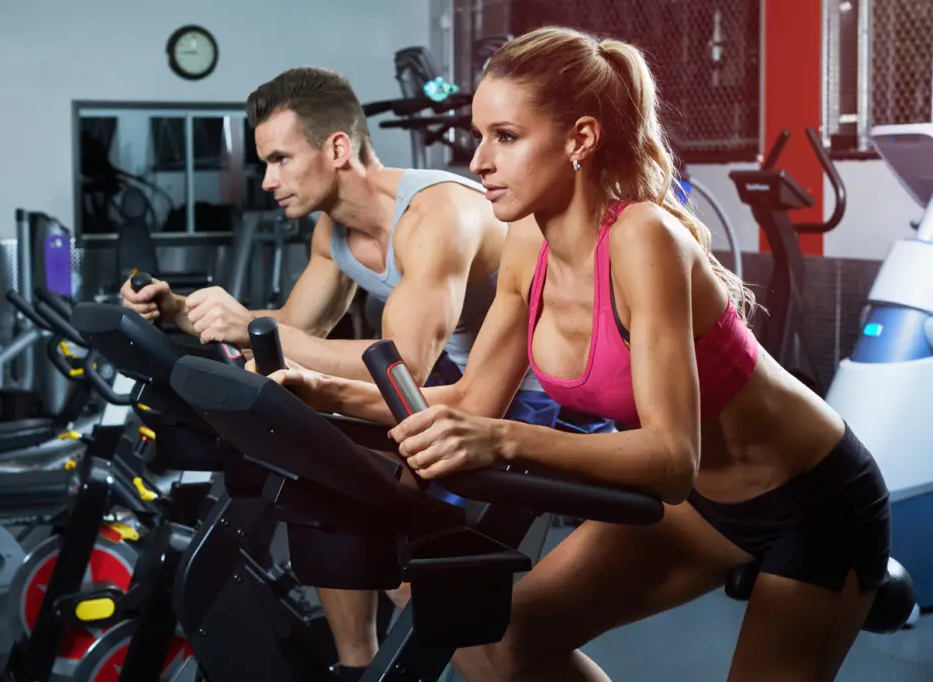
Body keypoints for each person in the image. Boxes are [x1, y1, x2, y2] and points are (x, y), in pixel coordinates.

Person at [263, 27, 892, 682]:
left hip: (813, 503)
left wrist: (504, 439)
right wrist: (319, 390)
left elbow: (672, 460)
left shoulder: (642, 238)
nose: (478, 161)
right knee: (498, 643)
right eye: (479, 137)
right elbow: (469, 404)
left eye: (505, 137)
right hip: (704, 510)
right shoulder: (524, 251)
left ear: (580, 140)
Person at [120, 65, 611, 681]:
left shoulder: (437, 218)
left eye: (279, 159)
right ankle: (357, 665)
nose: (268, 181)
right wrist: (179, 313)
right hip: (461, 386)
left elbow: (402, 362)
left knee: (435, 581)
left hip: (538, 397)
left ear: (337, 146)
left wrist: (258, 331)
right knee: (337, 495)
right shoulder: (335, 233)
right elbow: (297, 330)